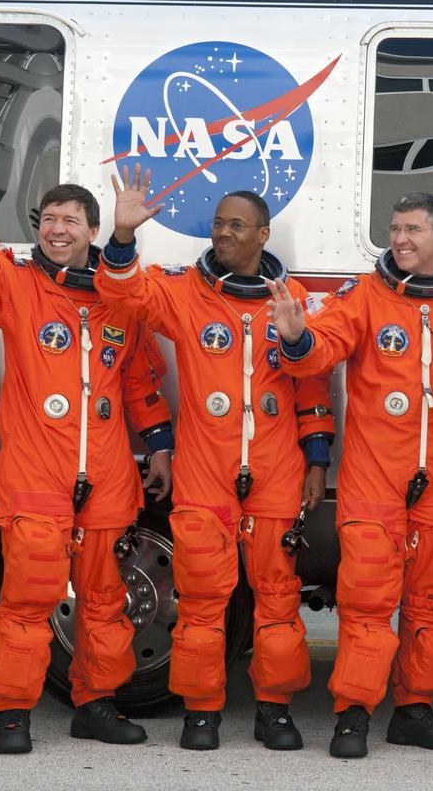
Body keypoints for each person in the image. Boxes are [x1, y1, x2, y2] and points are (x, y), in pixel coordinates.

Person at [0, 136, 175, 754]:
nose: (57, 229)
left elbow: (141, 383)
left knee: (104, 600)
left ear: (94, 231)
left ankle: (96, 704)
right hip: (36, 474)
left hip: (106, 476)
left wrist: (159, 449)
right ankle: (13, 715)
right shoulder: (21, 288)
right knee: (28, 599)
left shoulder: (121, 301)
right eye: (48, 219)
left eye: (70, 220)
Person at [98, 165, 335, 751]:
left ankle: (273, 710)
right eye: (218, 223)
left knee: (277, 599)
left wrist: (317, 459)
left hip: (277, 475)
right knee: (203, 601)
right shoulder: (186, 294)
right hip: (206, 476)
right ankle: (201, 712)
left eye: (237, 225)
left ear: (263, 234)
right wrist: (123, 237)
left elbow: (312, 386)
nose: (223, 233)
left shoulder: (293, 300)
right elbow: (124, 294)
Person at [268, 193, 433, 759]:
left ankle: (415, 710)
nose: (399, 240)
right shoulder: (364, 293)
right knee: (367, 599)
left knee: (430, 601)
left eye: (413, 230)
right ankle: (353, 714)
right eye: (394, 229)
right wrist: (297, 336)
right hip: (375, 475)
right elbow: (318, 355)